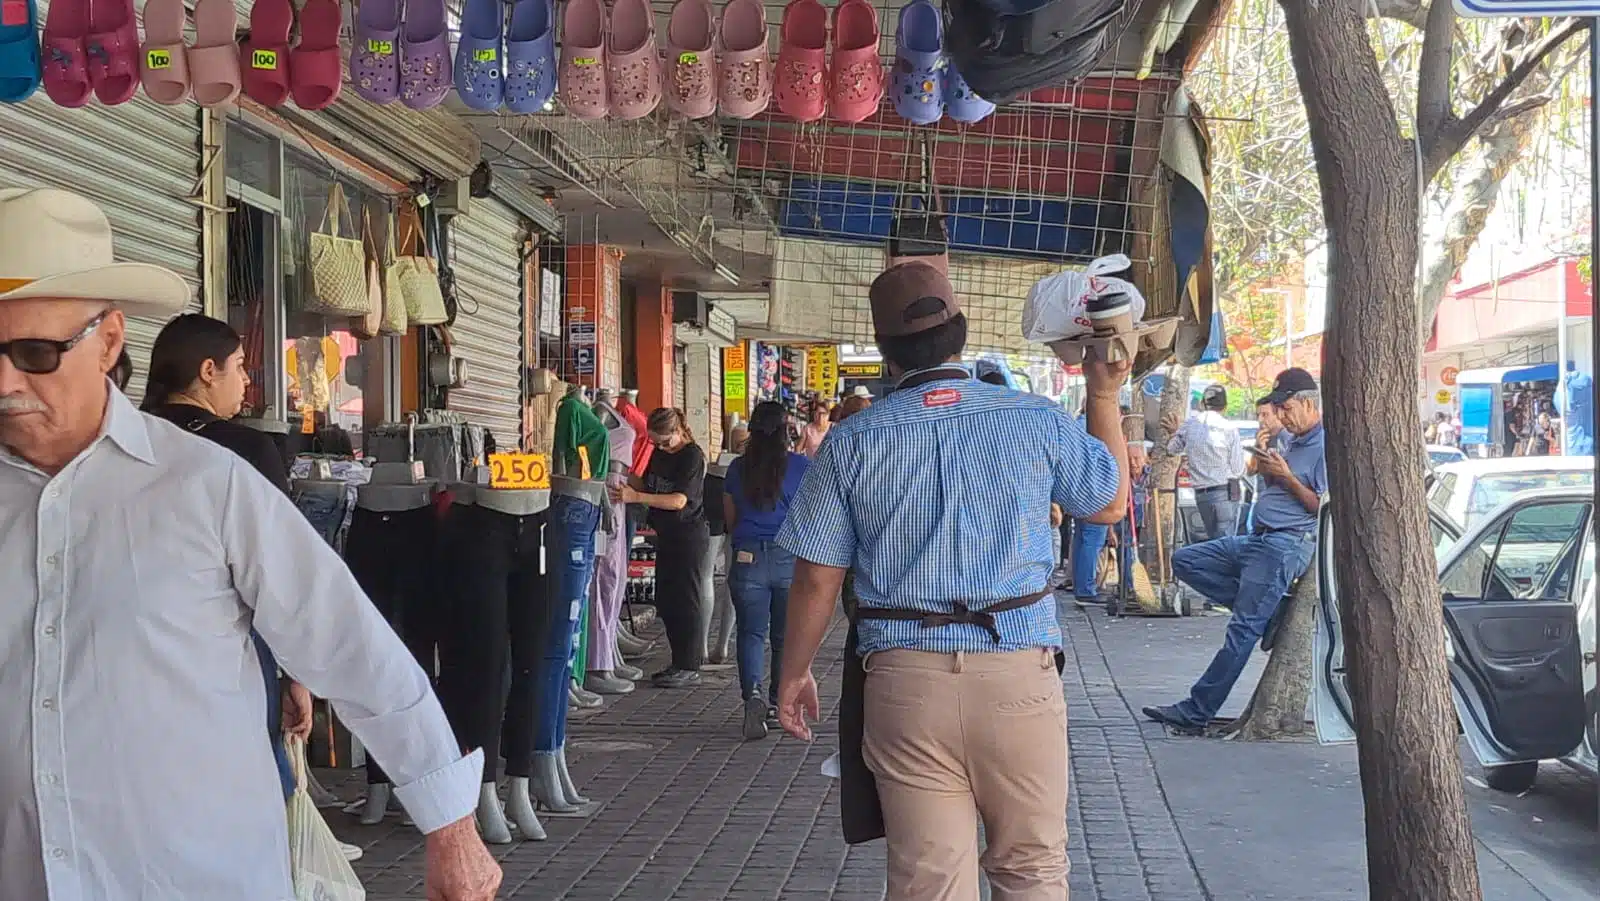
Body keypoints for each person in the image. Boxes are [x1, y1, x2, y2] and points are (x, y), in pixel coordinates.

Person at [0, 187, 498, 900]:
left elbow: (348, 642)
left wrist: (450, 827)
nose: (4, 380)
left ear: (109, 338)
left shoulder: (205, 486)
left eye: (35, 352)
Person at [774, 262, 1129, 899]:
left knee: (928, 882)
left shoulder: (853, 442)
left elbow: (816, 580)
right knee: (1032, 869)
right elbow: (1105, 504)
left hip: (905, 681)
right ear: (960, 331)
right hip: (1019, 672)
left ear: (883, 350)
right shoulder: (1033, 418)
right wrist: (1102, 395)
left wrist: (793, 673)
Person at [139, 313, 312, 804]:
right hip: (229, 641)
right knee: (255, 780)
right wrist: (294, 674)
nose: (247, 381)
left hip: (137, 641)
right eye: (240, 366)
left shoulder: (119, 439)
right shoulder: (246, 447)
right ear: (208, 370)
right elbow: (282, 572)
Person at [1143, 368, 1327, 732]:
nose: (1283, 417)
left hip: (1285, 542)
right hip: (1256, 537)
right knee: (1186, 560)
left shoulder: (1325, 446)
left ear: (1307, 404)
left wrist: (1287, 477)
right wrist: (1266, 466)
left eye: (1287, 409)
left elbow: (1320, 505)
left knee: (1241, 631)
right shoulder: (1289, 439)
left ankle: (1197, 711)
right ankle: (1271, 614)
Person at [722, 401, 809, 741]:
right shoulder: (800, 466)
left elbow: (730, 520)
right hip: (790, 557)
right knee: (784, 638)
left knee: (750, 633)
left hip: (747, 558)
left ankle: (752, 697)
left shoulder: (737, 469)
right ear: (786, 430)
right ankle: (775, 703)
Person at [619, 408, 709, 688]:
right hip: (664, 534)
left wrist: (637, 496)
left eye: (664, 442)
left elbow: (679, 500)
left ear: (678, 431)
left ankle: (689, 663)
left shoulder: (691, 456)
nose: (660, 447)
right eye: (655, 443)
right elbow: (645, 482)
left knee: (686, 600)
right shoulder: (657, 454)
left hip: (688, 535)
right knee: (667, 601)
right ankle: (677, 660)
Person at [1162, 384, 1245, 541]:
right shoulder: (1229, 428)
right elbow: (1238, 469)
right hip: (1224, 494)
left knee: (1213, 544)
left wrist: (1175, 433)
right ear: (1225, 406)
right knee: (1226, 545)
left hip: (1201, 496)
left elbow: (1171, 449)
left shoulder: (1189, 425)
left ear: (1202, 404)